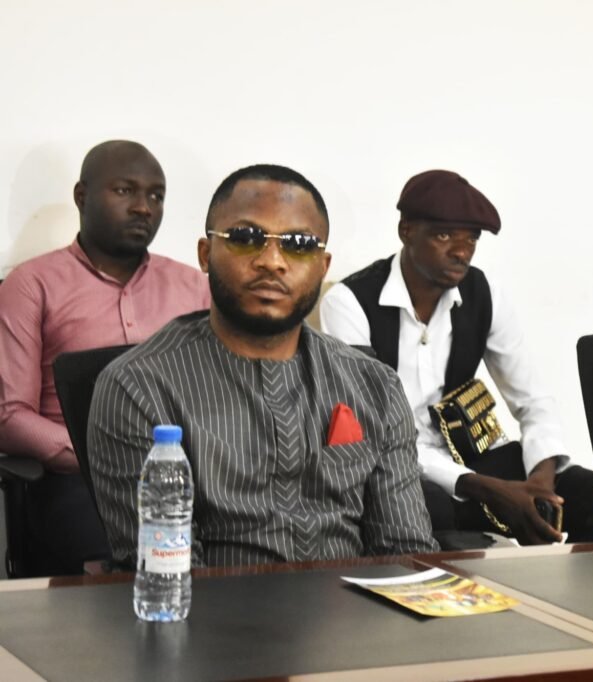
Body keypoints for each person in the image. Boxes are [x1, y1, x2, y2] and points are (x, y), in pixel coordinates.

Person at [90, 164, 438, 567]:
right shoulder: (139, 387)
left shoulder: (374, 385)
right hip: (213, 604)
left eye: (299, 244)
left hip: (350, 602)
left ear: (323, 266)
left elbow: (406, 552)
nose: (272, 261)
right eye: (245, 238)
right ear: (205, 254)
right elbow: (168, 572)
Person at [320, 169, 593, 546]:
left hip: (474, 455)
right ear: (406, 231)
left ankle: (569, 583)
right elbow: (375, 432)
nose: (461, 251)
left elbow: (533, 400)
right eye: (444, 236)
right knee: (431, 511)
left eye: (471, 238)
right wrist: (485, 489)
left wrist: (541, 479)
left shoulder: (485, 294)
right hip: (395, 467)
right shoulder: (349, 303)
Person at [0, 140, 210, 575]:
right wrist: (105, 456)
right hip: (79, 484)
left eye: (156, 196)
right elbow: (10, 416)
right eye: (124, 190)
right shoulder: (31, 284)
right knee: (120, 562)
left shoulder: (195, 287)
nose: (144, 207)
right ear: (82, 196)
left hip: (193, 479)